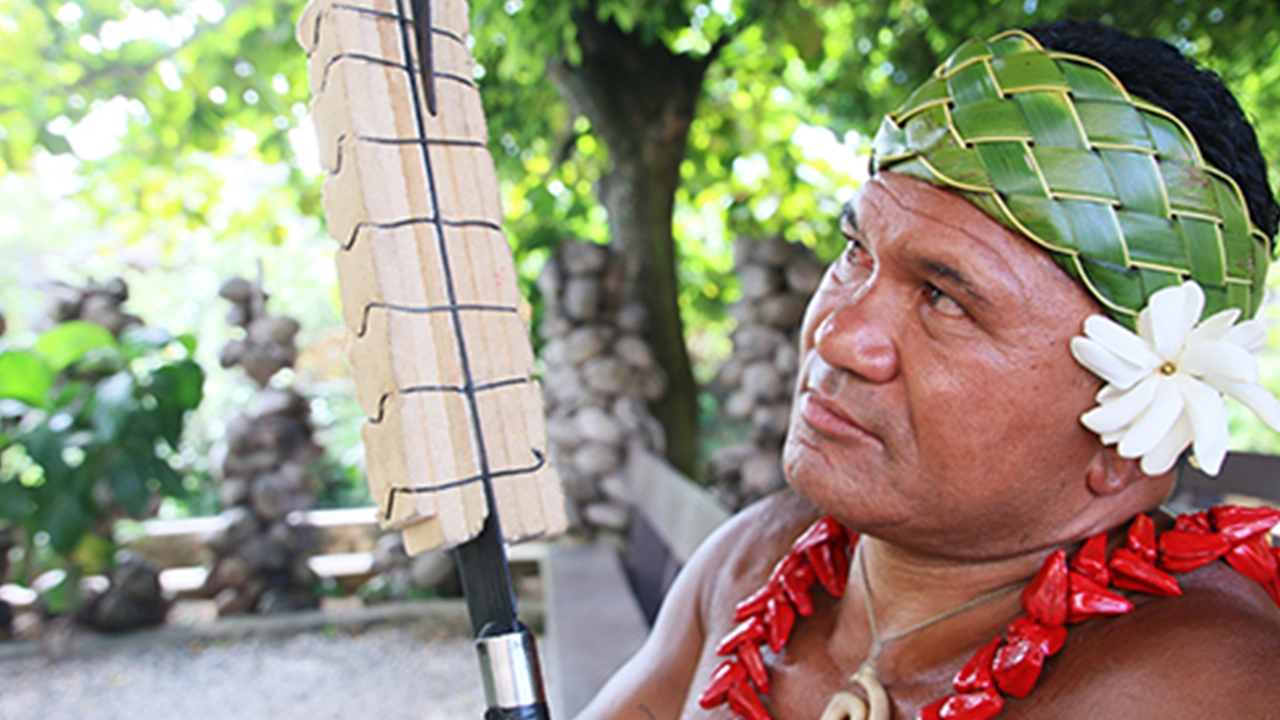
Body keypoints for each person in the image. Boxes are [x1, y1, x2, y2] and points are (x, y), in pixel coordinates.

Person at [573, 20, 1280, 720]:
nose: (838, 333)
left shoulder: (1200, 685)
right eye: (856, 250)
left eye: (944, 298)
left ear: (1127, 432)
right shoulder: (754, 560)